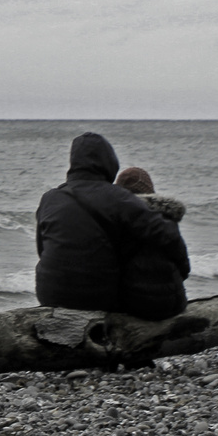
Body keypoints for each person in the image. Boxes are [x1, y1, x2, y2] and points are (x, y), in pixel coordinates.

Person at [34, 133, 190, 319]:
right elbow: (167, 234)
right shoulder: (119, 198)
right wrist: (183, 270)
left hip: (49, 296)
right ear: (109, 162)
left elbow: (41, 248)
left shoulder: (50, 198)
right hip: (98, 300)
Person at [113, 165, 190, 321]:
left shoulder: (117, 219)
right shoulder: (167, 219)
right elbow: (184, 268)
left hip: (133, 306)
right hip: (173, 305)